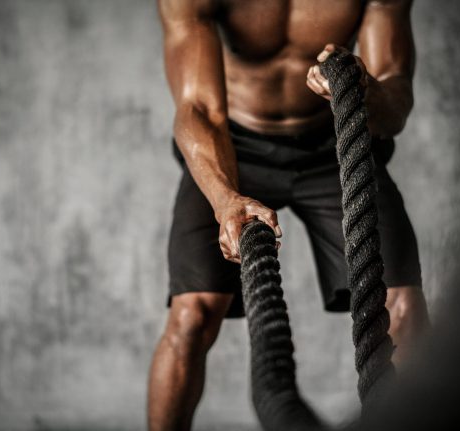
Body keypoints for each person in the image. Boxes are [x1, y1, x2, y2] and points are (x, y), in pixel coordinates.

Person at [148, 1, 430, 429]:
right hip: (231, 146)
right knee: (192, 314)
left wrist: (363, 89)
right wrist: (224, 199)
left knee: (403, 310)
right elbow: (199, 109)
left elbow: (395, 106)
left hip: (335, 144)